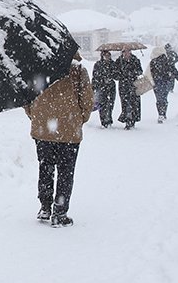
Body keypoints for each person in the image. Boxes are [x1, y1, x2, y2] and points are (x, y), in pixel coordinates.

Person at [24, 54, 94, 227]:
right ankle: (60, 212)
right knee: (65, 172)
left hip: (42, 131)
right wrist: (80, 118)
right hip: (69, 130)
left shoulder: (37, 69)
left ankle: (45, 207)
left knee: (45, 168)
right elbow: (87, 99)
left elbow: (25, 98)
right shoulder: (78, 70)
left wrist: (36, 116)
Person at [149, 45, 178, 123]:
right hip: (165, 82)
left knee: (159, 99)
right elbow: (174, 70)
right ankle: (163, 113)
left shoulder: (153, 62)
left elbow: (150, 73)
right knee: (164, 98)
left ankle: (160, 114)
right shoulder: (167, 60)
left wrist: (150, 81)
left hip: (156, 83)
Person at [116, 48, 143, 129]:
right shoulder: (119, 61)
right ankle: (128, 120)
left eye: (128, 51)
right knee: (125, 103)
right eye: (124, 52)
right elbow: (115, 73)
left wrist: (132, 73)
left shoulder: (135, 60)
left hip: (134, 84)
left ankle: (133, 120)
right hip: (123, 85)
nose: (126, 53)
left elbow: (140, 71)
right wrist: (121, 75)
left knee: (134, 103)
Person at [91, 50, 118, 128]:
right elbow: (95, 76)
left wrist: (111, 77)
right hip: (101, 87)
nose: (107, 57)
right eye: (105, 55)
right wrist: (96, 86)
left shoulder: (113, 64)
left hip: (111, 87)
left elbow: (116, 75)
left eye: (108, 55)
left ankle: (109, 119)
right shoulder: (98, 64)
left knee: (110, 104)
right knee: (102, 104)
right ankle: (104, 121)